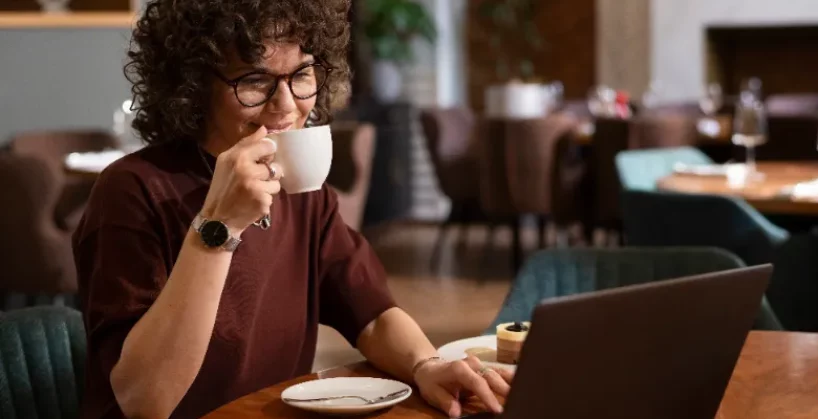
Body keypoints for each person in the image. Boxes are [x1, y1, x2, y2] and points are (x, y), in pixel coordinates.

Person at [72, 1, 512, 418]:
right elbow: (145, 401)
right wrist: (219, 226)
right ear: (194, 86)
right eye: (255, 80)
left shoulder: (303, 191)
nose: (286, 105)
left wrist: (425, 365)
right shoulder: (133, 192)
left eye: (301, 74)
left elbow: (373, 317)